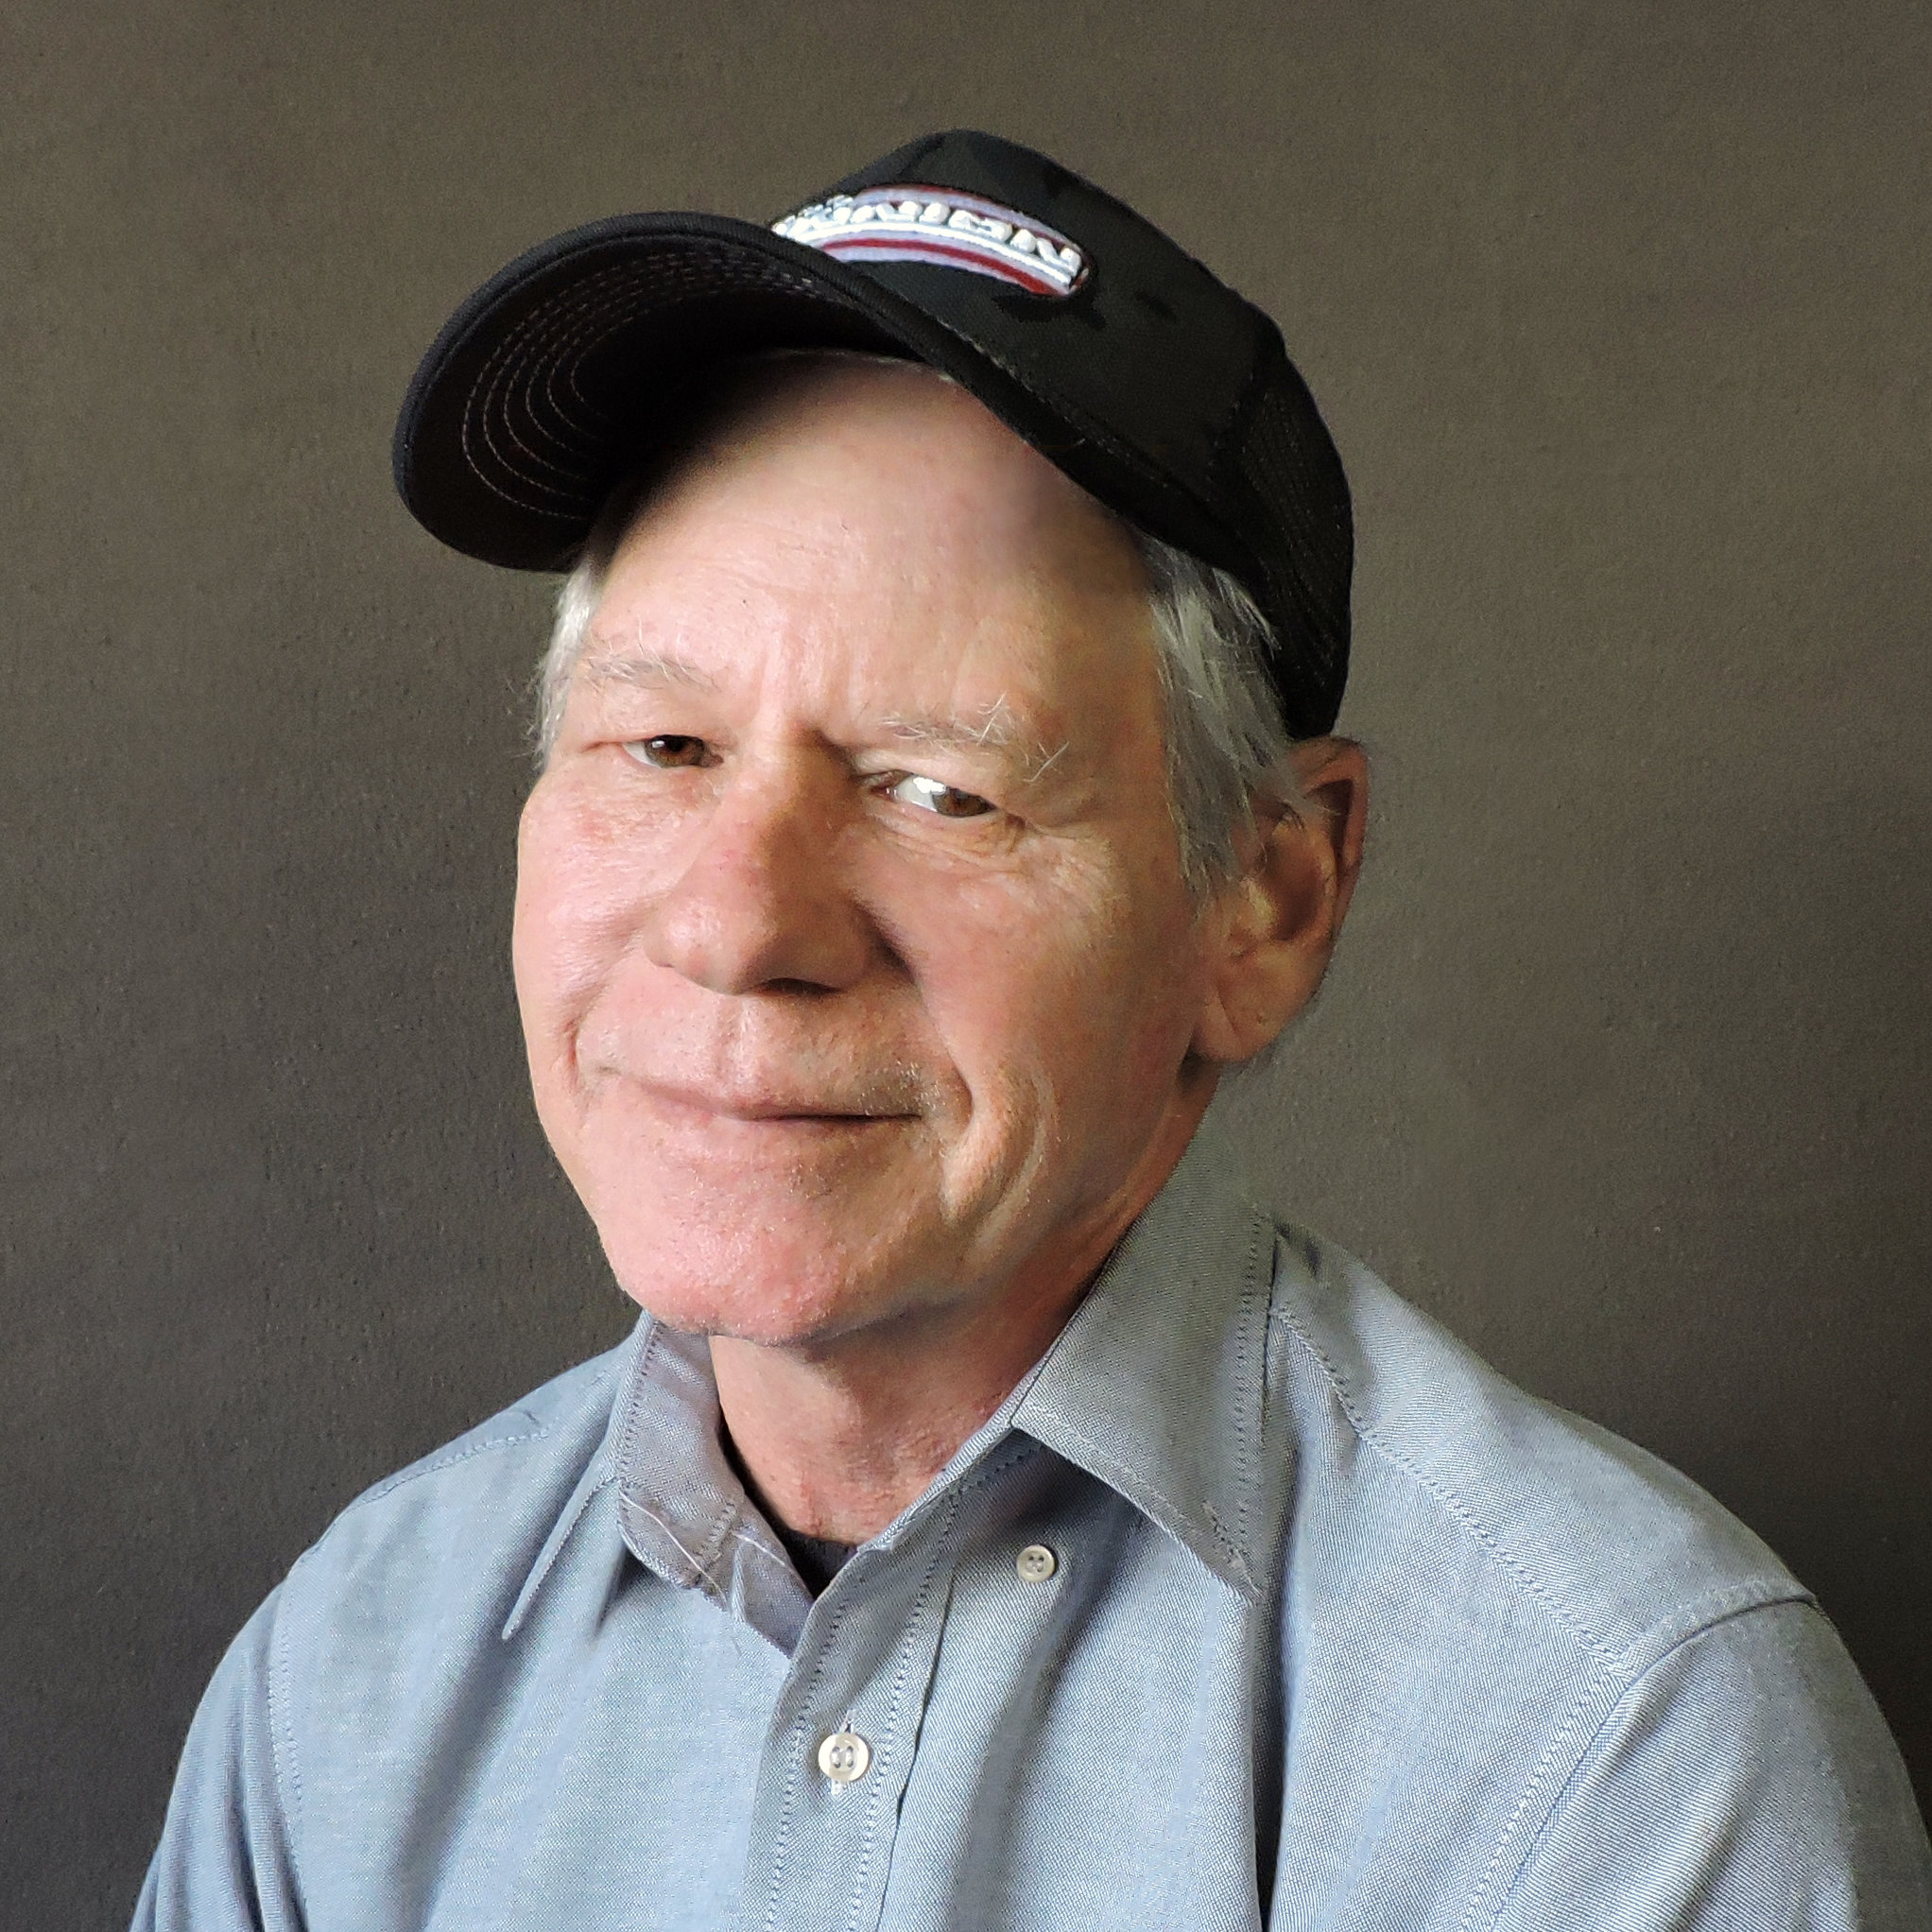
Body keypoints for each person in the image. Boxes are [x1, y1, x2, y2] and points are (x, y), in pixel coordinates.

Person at [134, 129, 1930, 1930]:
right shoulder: (343, 1695)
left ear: (1269, 901)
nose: (741, 926)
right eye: (663, 749)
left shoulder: (1618, 1752)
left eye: (939, 788)